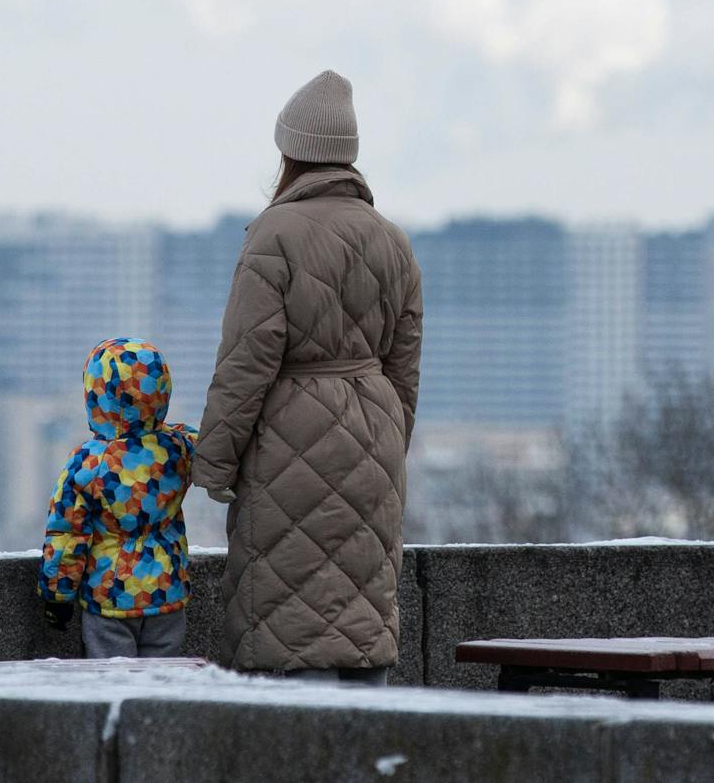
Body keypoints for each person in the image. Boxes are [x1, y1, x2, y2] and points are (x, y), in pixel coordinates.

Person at [194, 70, 424, 683]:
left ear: (291, 153)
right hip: (373, 437)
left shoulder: (275, 233)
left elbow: (247, 359)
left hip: (289, 435)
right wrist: (386, 440)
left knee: (287, 623)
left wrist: (213, 461)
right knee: (362, 612)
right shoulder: (392, 240)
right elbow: (405, 366)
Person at [37, 338, 196, 659]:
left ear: (96, 395)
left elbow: (67, 536)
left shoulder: (87, 463)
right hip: (167, 593)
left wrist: (57, 595)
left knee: (113, 686)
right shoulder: (179, 446)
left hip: (110, 597)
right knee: (164, 690)